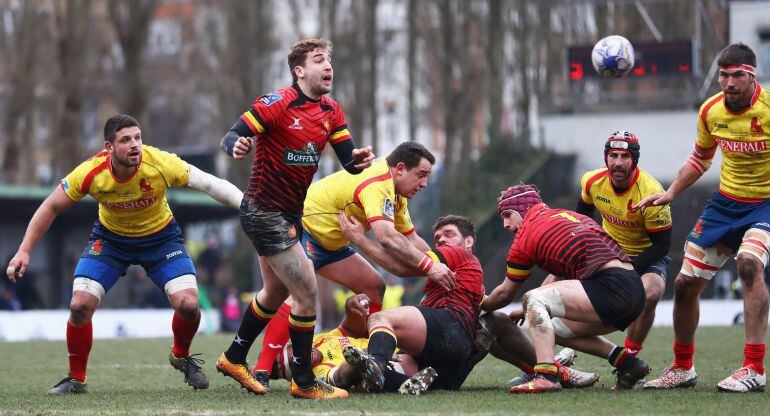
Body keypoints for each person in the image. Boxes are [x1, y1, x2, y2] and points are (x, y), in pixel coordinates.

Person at [4, 114, 243, 395]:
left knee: (189, 305)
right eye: (126, 140)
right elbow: (51, 207)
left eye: (138, 138)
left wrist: (247, 206)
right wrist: (24, 250)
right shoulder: (91, 172)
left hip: (161, 239)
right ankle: (76, 379)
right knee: (79, 305)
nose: (135, 145)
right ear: (109, 147)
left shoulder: (160, 163)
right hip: (111, 241)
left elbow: (210, 184)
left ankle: (180, 355)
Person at [214, 38, 374, 399]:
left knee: (275, 291)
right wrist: (236, 145)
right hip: (264, 211)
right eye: (319, 60)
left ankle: (234, 357)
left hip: (289, 213)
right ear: (299, 70)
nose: (328, 66)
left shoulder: (331, 111)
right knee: (307, 293)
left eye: (330, 60)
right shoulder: (277, 103)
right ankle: (303, 382)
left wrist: (359, 158)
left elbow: (348, 161)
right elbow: (233, 134)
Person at [251, 142, 455, 388]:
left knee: (374, 286)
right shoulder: (378, 182)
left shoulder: (396, 194)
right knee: (298, 295)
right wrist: (431, 266)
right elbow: (388, 237)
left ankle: (371, 355)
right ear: (400, 168)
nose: (424, 184)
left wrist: (444, 261)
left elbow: (410, 238)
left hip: (331, 244)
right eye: (421, 175)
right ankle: (262, 369)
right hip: (304, 230)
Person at [638, 43, 770, 393]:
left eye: (737, 75)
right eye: (723, 75)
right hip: (725, 205)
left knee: (748, 264)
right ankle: (683, 367)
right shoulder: (711, 110)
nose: (728, 82)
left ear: (752, 75)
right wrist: (670, 193)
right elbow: (700, 158)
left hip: (766, 205)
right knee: (684, 285)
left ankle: (754, 368)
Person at [481, 184, 649, 393]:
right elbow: (560, 275)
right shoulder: (565, 216)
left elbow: (505, 293)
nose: (505, 224)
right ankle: (627, 363)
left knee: (533, 298)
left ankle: (546, 377)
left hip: (610, 287)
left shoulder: (525, 236)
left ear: (523, 208)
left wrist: (480, 302)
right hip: (633, 288)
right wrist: (529, 311)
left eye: (508, 215)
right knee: (553, 324)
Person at [576, 131, 672, 359]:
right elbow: (582, 216)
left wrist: (626, 268)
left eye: (625, 156)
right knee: (555, 279)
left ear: (634, 160)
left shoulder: (651, 192)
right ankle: (557, 354)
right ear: (606, 158)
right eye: (613, 155)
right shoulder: (591, 181)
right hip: (608, 250)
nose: (618, 163)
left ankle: (630, 355)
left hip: (647, 255)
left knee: (650, 294)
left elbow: (662, 245)